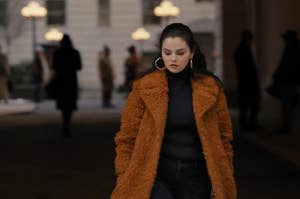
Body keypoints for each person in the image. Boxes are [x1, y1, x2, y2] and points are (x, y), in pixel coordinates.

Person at [111, 23, 236, 199]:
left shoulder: (211, 89)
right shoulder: (145, 88)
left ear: (191, 52)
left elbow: (224, 138)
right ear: (161, 52)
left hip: (197, 178)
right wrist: (125, 174)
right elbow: (126, 138)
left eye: (180, 53)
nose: (173, 59)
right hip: (155, 177)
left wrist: (224, 175)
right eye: (167, 53)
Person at [267, 30, 300, 135]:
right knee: (288, 105)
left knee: (287, 105)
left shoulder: (292, 49)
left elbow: (286, 65)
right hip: (289, 82)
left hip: (289, 82)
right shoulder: (292, 48)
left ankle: (286, 127)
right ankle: (287, 126)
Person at [52, 34, 82, 137]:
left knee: (63, 103)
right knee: (70, 102)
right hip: (71, 80)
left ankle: (65, 123)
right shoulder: (75, 53)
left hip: (61, 80)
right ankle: (67, 123)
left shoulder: (57, 53)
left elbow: (54, 66)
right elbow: (79, 67)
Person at [234, 30, 261, 130]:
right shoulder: (244, 49)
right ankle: (249, 124)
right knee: (250, 103)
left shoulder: (242, 49)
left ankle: (246, 124)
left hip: (244, 82)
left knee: (245, 104)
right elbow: (248, 68)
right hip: (248, 82)